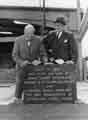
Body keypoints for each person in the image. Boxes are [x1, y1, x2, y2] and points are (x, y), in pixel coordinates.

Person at [12, 24, 47, 103]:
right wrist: (21, 63)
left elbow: (43, 53)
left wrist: (45, 61)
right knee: (19, 81)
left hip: (34, 67)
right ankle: (17, 98)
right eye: (28, 33)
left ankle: (35, 98)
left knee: (37, 83)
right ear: (24, 32)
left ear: (33, 32)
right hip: (21, 67)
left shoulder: (38, 40)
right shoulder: (18, 40)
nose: (30, 35)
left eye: (31, 33)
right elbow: (15, 55)